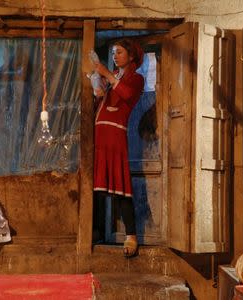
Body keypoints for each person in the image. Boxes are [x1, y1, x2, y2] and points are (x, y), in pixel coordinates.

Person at [91, 39, 144, 258]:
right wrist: (98, 89)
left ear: (131, 56)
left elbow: (128, 95)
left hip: (115, 133)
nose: (115, 56)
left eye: (119, 52)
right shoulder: (114, 77)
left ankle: (131, 235)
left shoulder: (136, 79)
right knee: (97, 186)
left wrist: (106, 73)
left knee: (121, 185)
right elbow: (106, 101)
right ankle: (95, 232)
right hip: (99, 133)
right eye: (113, 53)